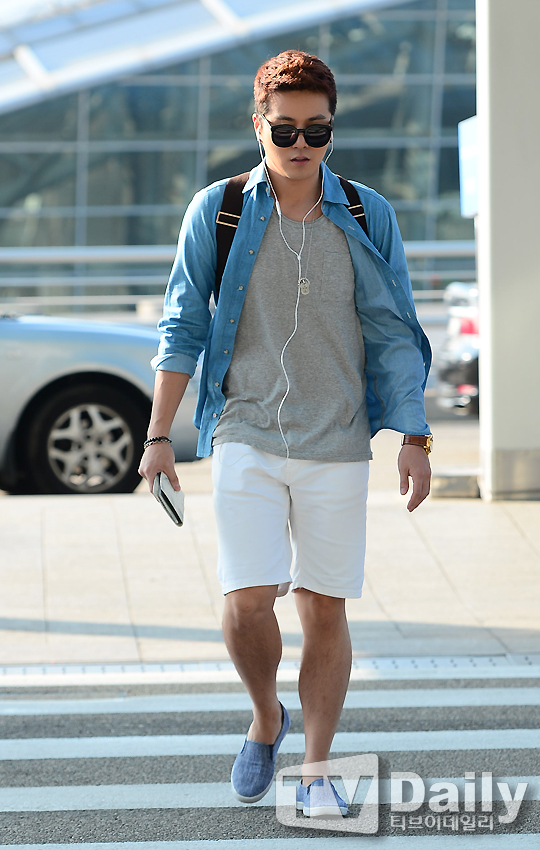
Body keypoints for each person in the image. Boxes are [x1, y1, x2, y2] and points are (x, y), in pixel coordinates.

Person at [139, 50, 432, 817]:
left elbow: (396, 330)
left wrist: (415, 435)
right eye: (285, 130)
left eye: (318, 130)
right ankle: (266, 715)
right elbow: (183, 323)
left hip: (339, 440)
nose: (302, 145)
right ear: (258, 125)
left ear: (332, 128)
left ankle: (317, 764)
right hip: (245, 430)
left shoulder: (366, 212)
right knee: (246, 602)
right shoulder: (219, 210)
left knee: (324, 609)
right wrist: (158, 435)